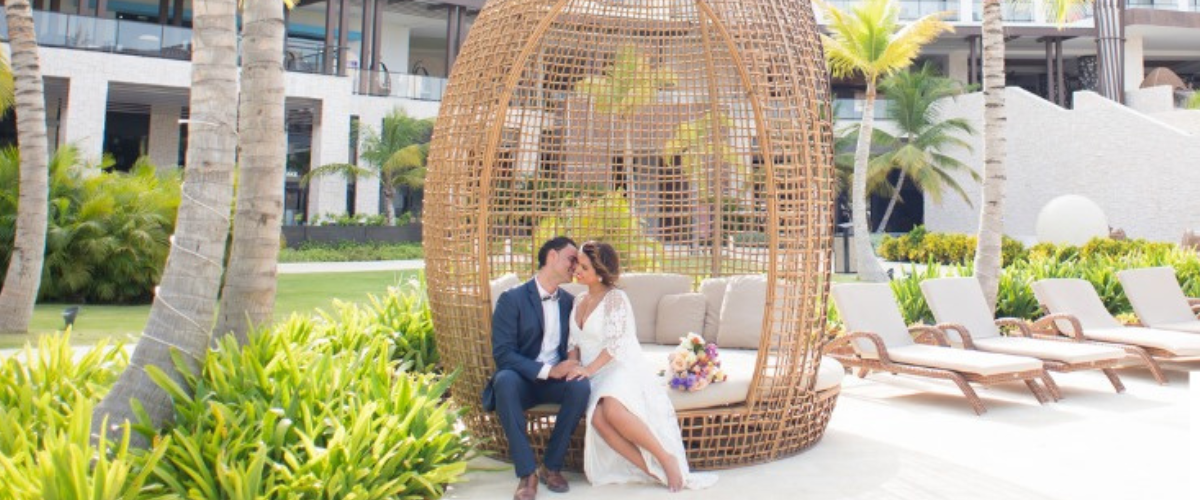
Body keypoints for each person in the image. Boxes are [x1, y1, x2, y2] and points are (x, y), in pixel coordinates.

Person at [565, 241, 716, 491]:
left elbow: (616, 345)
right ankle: (652, 470)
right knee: (598, 420)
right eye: (577, 264)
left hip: (617, 367)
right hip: (591, 373)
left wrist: (588, 370)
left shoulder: (615, 298)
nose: (577, 270)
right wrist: (573, 364)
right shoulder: (578, 299)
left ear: (601, 271)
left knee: (612, 409)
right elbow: (573, 342)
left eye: (584, 267)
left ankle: (666, 458)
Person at [482, 236, 591, 500]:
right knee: (504, 380)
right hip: (521, 379)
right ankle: (527, 473)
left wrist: (571, 364)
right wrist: (547, 370)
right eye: (571, 258)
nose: (575, 266)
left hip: (555, 383)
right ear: (551, 257)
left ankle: (551, 466)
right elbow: (504, 354)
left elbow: (574, 342)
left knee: (580, 387)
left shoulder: (569, 302)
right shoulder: (512, 299)